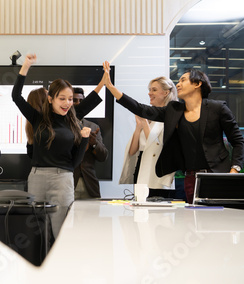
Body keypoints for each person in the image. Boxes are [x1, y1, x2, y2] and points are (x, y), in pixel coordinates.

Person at [102, 61, 244, 204]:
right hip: (191, 178)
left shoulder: (217, 108)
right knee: (194, 222)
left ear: (197, 84)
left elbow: (238, 141)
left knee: (220, 221)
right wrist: (111, 87)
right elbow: (141, 109)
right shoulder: (174, 110)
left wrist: (234, 171)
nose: (178, 84)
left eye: (183, 80)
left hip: (217, 175)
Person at [12, 53, 93, 239]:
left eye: (70, 99)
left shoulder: (74, 123)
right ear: (51, 99)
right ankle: (37, 266)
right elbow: (16, 96)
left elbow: (76, 161)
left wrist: (85, 140)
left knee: (61, 232)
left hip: (62, 178)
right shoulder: (38, 118)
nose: (67, 103)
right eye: (62, 98)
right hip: (37, 177)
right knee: (35, 233)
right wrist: (25, 66)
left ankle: (61, 267)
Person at [119, 77, 178, 198]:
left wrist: (144, 124)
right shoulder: (148, 115)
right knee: (140, 208)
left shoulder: (171, 117)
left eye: (154, 90)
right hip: (140, 167)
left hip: (158, 171)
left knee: (156, 209)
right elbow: (132, 151)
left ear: (166, 92)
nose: (149, 93)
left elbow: (157, 146)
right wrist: (138, 127)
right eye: (149, 89)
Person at [73, 87, 108, 199]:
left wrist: (94, 143)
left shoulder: (93, 127)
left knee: (92, 216)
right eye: (74, 100)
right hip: (68, 182)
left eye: (81, 101)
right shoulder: (62, 125)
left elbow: (103, 157)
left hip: (89, 184)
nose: (78, 104)